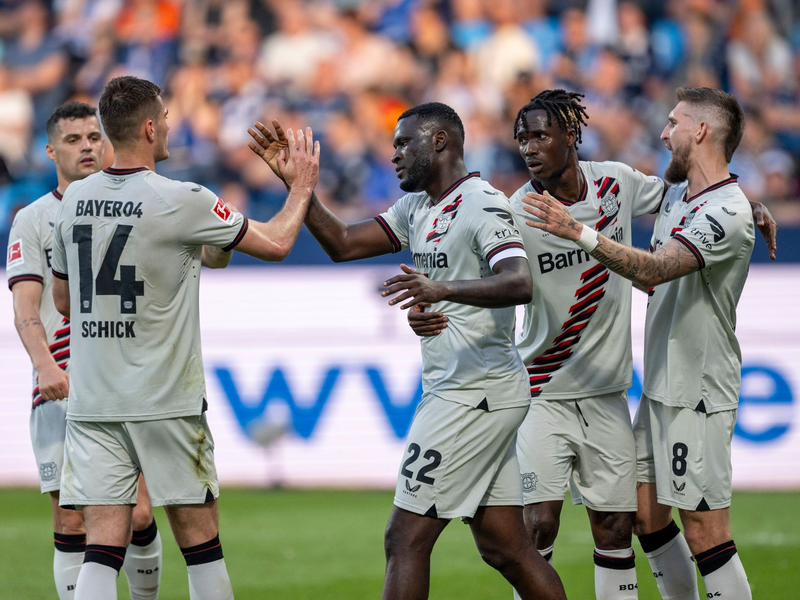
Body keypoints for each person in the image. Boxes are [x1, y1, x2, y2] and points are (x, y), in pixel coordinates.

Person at [408, 90, 776, 600]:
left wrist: (744, 205)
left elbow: (687, 230)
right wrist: (437, 305)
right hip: (551, 387)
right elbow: (482, 272)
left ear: (570, 136)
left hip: (644, 392)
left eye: (540, 135)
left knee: (645, 526)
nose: (528, 147)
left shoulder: (618, 184)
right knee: (561, 523)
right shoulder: (520, 211)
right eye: (521, 138)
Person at [247, 103, 566, 600]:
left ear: (440, 141)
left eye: (403, 143)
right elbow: (344, 243)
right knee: (506, 548)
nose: (393, 154)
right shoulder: (417, 207)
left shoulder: (482, 204)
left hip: (474, 393)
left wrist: (441, 289)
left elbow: (519, 282)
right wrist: (300, 187)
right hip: (463, 388)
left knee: (404, 538)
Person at [49, 76, 319, 600]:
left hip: (94, 400)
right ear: (150, 128)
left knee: (101, 549)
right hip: (165, 400)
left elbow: (62, 300)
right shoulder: (182, 198)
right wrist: (302, 184)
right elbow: (278, 242)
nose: (171, 126)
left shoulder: (76, 198)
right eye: (167, 118)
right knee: (201, 547)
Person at [524, 87, 756, 599]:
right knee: (645, 515)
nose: (663, 133)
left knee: (705, 529)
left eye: (673, 123)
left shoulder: (727, 212)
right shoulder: (678, 197)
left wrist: (578, 232)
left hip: (698, 390)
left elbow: (654, 268)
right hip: (659, 388)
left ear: (701, 131)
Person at [6, 101, 162, 600]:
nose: (87, 147)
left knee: (139, 512)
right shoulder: (33, 219)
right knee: (70, 519)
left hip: (123, 378)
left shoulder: (134, 203)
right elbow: (25, 306)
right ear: (51, 151)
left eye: (94, 137)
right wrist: (45, 366)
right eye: (73, 140)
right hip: (62, 380)